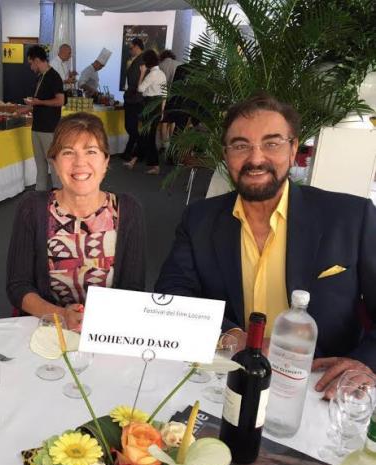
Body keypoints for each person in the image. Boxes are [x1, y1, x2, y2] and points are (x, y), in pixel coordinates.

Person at [154, 94, 376, 398]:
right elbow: (173, 295)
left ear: (293, 149)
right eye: (241, 146)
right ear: (225, 155)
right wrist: (235, 337)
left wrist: (364, 363)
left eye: (272, 143)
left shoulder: (350, 217)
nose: (256, 159)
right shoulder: (199, 219)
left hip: (321, 389)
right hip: (226, 381)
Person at [7, 112, 146, 330]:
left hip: (107, 331)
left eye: (91, 151)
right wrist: (62, 315)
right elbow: (18, 286)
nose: (80, 163)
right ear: (54, 162)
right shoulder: (32, 208)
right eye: (68, 152)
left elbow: (133, 289)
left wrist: (94, 324)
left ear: (106, 161)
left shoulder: (128, 210)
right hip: (48, 329)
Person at [22, 45, 65, 191]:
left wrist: (39, 102)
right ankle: (40, 191)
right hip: (37, 126)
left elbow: (60, 101)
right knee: (40, 163)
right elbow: (37, 102)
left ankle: (58, 192)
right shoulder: (40, 77)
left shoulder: (54, 77)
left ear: (37, 60)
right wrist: (24, 109)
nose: (31, 67)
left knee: (53, 161)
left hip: (49, 127)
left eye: (31, 63)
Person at [124, 50, 166, 175]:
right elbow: (164, 94)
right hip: (157, 107)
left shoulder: (151, 75)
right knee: (145, 135)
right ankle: (133, 161)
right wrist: (162, 111)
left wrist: (142, 73)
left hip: (149, 107)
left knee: (148, 136)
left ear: (147, 62)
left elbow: (140, 89)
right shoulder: (162, 74)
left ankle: (155, 166)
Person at [121, 38, 145, 163]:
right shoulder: (137, 61)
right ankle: (130, 151)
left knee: (130, 127)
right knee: (132, 127)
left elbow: (135, 82)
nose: (130, 51)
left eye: (131, 48)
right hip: (135, 98)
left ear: (137, 47)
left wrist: (127, 94)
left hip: (134, 99)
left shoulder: (140, 61)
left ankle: (141, 150)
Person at [157, 50, 181, 158]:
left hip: (163, 97)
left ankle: (164, 145)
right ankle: (173, 145)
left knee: (164, 122)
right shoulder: (179, 64)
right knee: (173, 122)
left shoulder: (160, 66)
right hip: (175, 97)